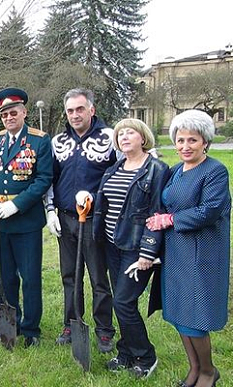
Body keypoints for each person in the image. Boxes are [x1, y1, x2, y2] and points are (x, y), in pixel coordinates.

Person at [146, 110, 230, 387]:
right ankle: (193, 369)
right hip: (176, 252)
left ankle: (208, 371)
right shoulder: (174, 171)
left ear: (205, 141)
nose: (185, 146)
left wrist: (170, 219)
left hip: (202, 253)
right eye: (180, 140)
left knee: (195, 317)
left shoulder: (215, 171)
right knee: (180, 313)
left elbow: (210, 210)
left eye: (192, 140)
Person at [93, 119, 170, 378]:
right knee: (120, 302)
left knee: (123, 302)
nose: (124, 137)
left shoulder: (157, 169)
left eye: (130, 132)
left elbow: (158, 210)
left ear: (143, 137)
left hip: (135, 248)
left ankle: (146, 356)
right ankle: (126, 353)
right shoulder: (115, 168)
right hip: (112, 245)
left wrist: (148, 251)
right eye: (120, 133)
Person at [44, 88, 116, 352]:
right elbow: (50, 178)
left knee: (98, 277)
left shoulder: (110, 138)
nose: (75, 115)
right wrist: (50, 210)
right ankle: (71, 322)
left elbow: (121, 175)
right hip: (65, 218)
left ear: (91, 110)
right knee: (69, 276)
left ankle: (105, 329)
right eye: (70, 110)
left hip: (96, 219)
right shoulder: (58, 141)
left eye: (80, 109)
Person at [0, 87, 53, 347]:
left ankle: (31, 329)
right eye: (4, 115)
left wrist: (17, 205)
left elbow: (44, 178)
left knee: (30, 276)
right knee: (5, 275)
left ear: (24, 112)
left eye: (13, 112)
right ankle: (10, 324)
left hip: (25, 219)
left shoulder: (39, 140)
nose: (9, 118)